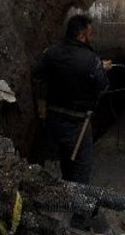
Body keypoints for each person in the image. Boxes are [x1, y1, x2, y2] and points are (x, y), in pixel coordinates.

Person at [31, 15, 110, 228]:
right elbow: (102, 87)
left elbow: (37, 75)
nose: (92, 37)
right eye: (90, 33)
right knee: (82, 169)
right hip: (78, 124)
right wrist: (100, 69)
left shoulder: (52, 53)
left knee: (67, 160)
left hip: (54, 119)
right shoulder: (90, 59)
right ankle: (79, 219)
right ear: (81, 34)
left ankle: (67, 198)